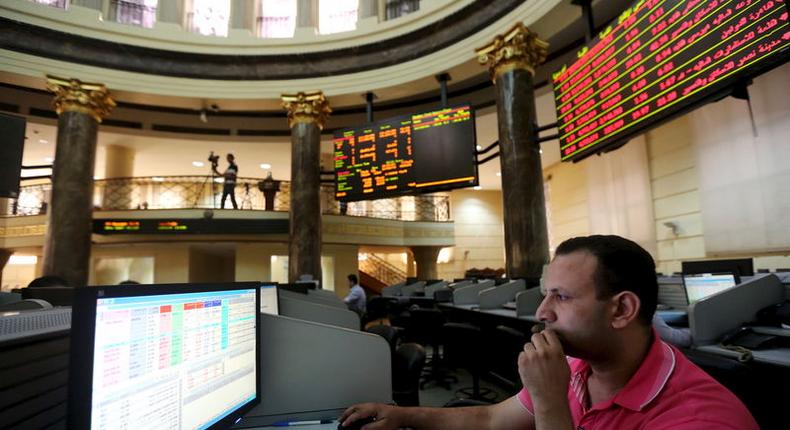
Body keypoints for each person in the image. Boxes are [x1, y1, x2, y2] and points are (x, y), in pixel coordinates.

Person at [340, 235, 758, 430]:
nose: (541, 312)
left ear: (622, 309)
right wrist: (402, 415)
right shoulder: (577, 366)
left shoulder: (701, 419)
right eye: (544, 295)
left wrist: (550, 403)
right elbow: (489, 418)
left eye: (560, 297)